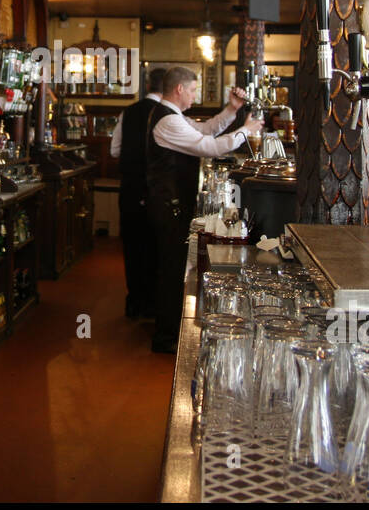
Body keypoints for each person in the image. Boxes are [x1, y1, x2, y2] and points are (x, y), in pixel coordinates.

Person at [147, 66, 262, 354]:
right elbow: (207, 146)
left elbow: (205, 129)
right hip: (167, 206)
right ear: (180, 90)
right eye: (194, 90)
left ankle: (168, 332)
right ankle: (165, 338)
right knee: (171, 271)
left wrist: (231, 110)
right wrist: (245, 132)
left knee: (173, 270)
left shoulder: (173, 117)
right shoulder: (167, 122)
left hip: (172, 205)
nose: (196, 95)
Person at [109, 67, 166, 319]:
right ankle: (153, 303)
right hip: (157, 190)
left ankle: (134, 302)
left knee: (132, 246)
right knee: (156, 247)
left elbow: (114, 150)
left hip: (130, 189)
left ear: (147, 85)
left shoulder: (128, 112)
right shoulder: (167, 114)